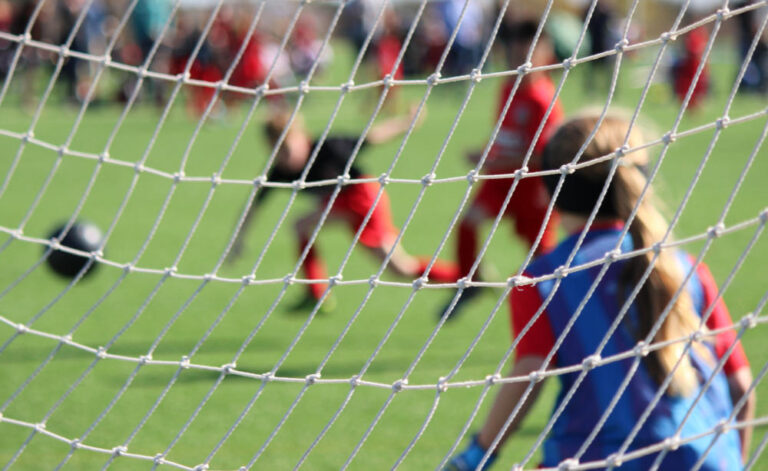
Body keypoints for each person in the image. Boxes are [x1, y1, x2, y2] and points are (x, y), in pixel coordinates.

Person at [446, 113, 755, 470]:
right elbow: (741, 386)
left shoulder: (543, 279)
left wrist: (480, 452)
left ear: (548, 191)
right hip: (704, 458)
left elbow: (529, 376)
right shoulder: (684, 267)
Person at [228, 106, 460, 311]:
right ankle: (316, 293)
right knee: (399, 268)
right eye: (277, 152)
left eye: (288, 149)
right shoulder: (280, 171)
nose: (285, 157)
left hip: (364, 197)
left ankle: (465, 279)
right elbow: (253, 207)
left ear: (302, 137)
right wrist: (239, 240)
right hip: (338, 204)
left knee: (400, 267)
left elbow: (372, 137)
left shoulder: (328, 148)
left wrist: (406, 123)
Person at [440, 20, 563, 320]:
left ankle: (558, 310)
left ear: (545, 57)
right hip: (500, 182)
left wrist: (493, 161)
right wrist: (487, 152)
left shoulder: (542, 100)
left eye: (528, 56)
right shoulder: (508, 87)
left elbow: (542, 156)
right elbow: (505, 135)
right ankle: (471, 283)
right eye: (515, 55)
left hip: (533, 188)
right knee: (468, 224)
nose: (520, 62)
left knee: (542, 261)